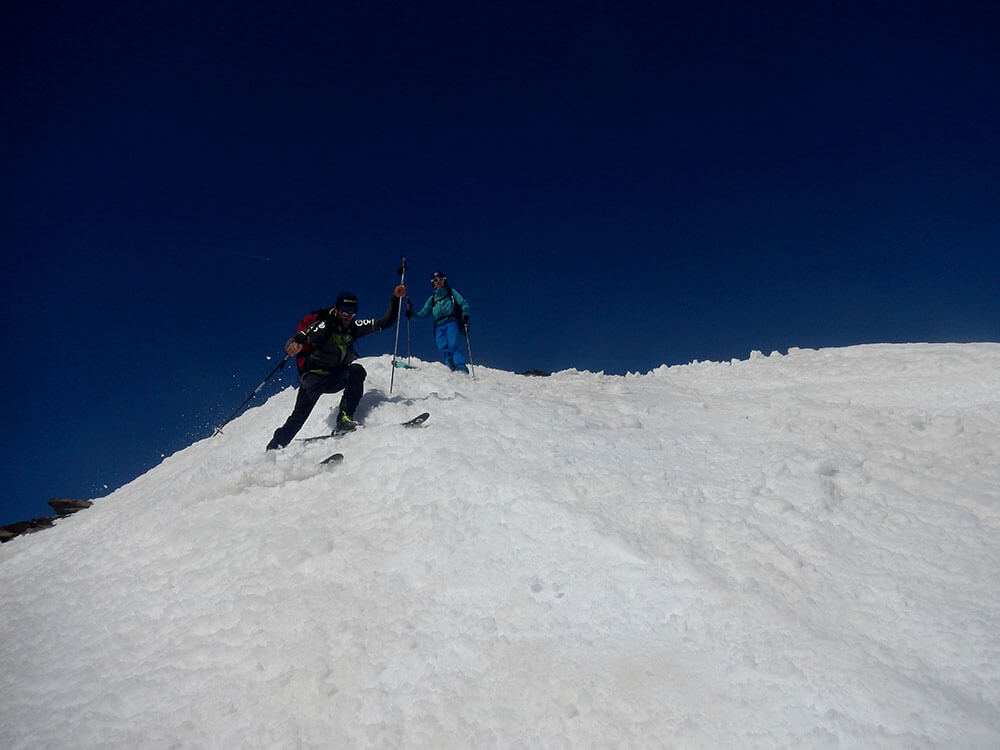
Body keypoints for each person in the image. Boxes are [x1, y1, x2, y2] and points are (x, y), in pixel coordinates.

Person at [266, 285, 407, 450]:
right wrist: (293, 345)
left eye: (352, 311)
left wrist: (395, 298)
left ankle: (344, 419)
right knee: (299, 416)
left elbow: (385, 322)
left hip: (335, 377)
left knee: (356, 371)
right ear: (336, 309)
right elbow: (302, 336)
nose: (348, 316)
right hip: (314, 378)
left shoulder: (354, 327)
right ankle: (274, 447)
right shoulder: (325, 325)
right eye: (344, 311)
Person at [406, 270, 470, 373]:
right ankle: (452, 366)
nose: (438, 282)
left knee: (453, 344)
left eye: (441, 279)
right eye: (436, 280)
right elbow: (422, 313)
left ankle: (461, 367)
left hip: (451, 322)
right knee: (442, 347)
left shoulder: (451, 292)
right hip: (439, 326)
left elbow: (463, 303)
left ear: (444, 280)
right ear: (433, 283)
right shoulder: (432, 300)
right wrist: (412, 315)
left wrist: (465, 314)